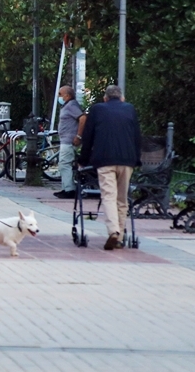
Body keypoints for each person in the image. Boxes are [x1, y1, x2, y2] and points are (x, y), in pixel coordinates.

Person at [79, 85, 142, 250]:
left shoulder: (97, 109)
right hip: (127, 160)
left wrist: (83, 160)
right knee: (122, 199)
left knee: (108, 196)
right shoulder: (130, 109)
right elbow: (137, 136)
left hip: (104, 159)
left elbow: (88, 137)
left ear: (105, 98)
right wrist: (137, 159)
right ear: (122, 98)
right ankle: (119, 237)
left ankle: (113, 231)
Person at [53, 85, 86, 199]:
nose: (59, 97)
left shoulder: (71, 105)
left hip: (69, 140)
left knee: (64, 163)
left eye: (60, 94)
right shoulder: (68, 106)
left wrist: (78, 136)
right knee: (64, 164)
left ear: (67, 95)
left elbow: (83, 118)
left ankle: (69, 190)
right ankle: (66, 187)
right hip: (66, 139)